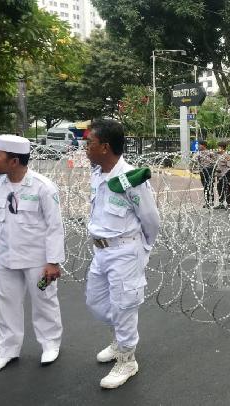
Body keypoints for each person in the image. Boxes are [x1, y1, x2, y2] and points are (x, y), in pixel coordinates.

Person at [84, 119, 161, 388]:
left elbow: (151, 220)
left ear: (105, 147)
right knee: (96, 302)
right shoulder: (97, 174)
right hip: (101, 251)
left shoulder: (131, 179)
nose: (86, 147)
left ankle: (127, 360)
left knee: (124, 306)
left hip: (125, 251)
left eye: (90, 142)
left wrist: (143, 250)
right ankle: (120, 339)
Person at [0, 135, 64, 374]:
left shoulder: (43, 186)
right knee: (6, 303)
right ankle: (8, 350)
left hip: (37, 258)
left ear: (14, 161)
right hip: (6, 256)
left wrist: (53, 262)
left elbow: (55, 226)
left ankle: (50, 344)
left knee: (44, 301)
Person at [194, 141, 216, 209]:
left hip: (209, 170)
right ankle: (207, 202)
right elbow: (194, 160)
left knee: (210, 186)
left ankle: (211, 201)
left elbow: (215, 161)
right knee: (205, 186)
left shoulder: (210, 153)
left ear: (204, 145)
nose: (198, 146)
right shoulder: (198, 153)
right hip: (202, 171)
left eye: (199, 145)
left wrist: (213, 170)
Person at [214, 141, 230, 210]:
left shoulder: (227, 156)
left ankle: (228, 204)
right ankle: (221, 203)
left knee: (226, 189)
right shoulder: (217, 155)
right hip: (219, 175)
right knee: (219, 189)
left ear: (222, 148)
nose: (218, 149)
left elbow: (229, 166)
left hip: (226, 175)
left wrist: (222, 172)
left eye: (219, 147)